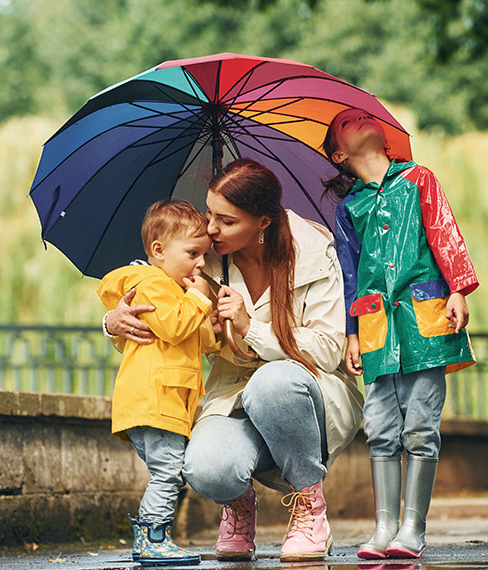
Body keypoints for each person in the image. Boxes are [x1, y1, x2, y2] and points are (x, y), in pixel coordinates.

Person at [104, 158, 364, 563]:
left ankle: (309, 504)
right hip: (234, 396)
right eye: (209, 213)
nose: (210, 229)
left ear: (262, 222)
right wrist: (111, 322)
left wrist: (249, 327)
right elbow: (154, 296)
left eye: (225, 220)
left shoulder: (314, 251)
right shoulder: (202, 256)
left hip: (306, 392)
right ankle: (239, 506)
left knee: (272, 383)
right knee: (207, 468)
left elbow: (329, 349)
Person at [321, 108, 479, 559]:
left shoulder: (419, 179)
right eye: (346, 122)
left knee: (421, 425)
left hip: (425, 315)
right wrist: (351, 333)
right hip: (374, 326)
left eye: (360, 116)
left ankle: (413, 528)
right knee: (382, 427)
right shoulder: (349, 209)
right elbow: (350, 276)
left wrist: (458, 289)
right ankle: (384, 528)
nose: (358, 118)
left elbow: (445, 233)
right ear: (339, 153)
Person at [97, 199, 218, 567]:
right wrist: (201, 298)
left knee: (167, 472)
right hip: (156, 401)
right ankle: (152, 536)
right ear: (159, 251)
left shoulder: (170, 291)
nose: (201, 264)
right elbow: (176, 325)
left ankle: (152, 538)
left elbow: (189, 337)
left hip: (159, 402)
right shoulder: (151, 284)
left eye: (204, 255)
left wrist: (215, 327)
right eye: (193, 253)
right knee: (169, 474)